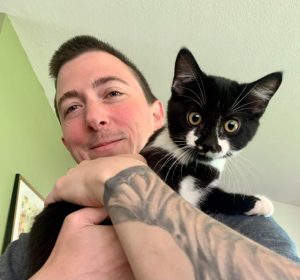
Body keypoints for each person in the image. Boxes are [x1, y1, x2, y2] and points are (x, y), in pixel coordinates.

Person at [1, 35, 299, 280]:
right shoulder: (22, 251)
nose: (94, 117)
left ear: (158, 114)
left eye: (112, 93)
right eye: (73, 108)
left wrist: (118, 181)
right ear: (66, 142)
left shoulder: (245, 227)